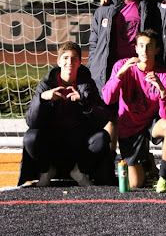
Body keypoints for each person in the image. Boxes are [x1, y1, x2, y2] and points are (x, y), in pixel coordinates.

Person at [88, 0, 159, 152]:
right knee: (111, 115)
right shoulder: (106, 8)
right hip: (113, 68)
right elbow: (94, 41)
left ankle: (142, 161)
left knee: (137, 114)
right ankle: (108, 164)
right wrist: (94, 66)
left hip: (138, 68)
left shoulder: (148, 7)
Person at [18, 41, 112, 187]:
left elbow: (102, 119)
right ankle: (46, 171)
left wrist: (84, 102)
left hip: (79, 140)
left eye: (74, 58)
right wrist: (42, 99)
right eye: (65, 58)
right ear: (58, 62)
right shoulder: (46, 85)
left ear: (80, 62)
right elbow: (31, 122)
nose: (70, 62)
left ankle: (79, 171)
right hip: (52, 139)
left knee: (102, 137)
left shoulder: (88, 85)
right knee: (30, 138)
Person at [102, 29, 166, 193]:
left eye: (149, 46)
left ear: (156, 50)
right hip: (130, 126)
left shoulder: (163, 75)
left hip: (151, 123)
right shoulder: (122, 66)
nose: (144, 50)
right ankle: (147, 163)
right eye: (141, 46)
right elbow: (108, 99)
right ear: (135, 48)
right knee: (135, 183)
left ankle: (163, 177)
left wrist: (162, 92)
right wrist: (119, 76)